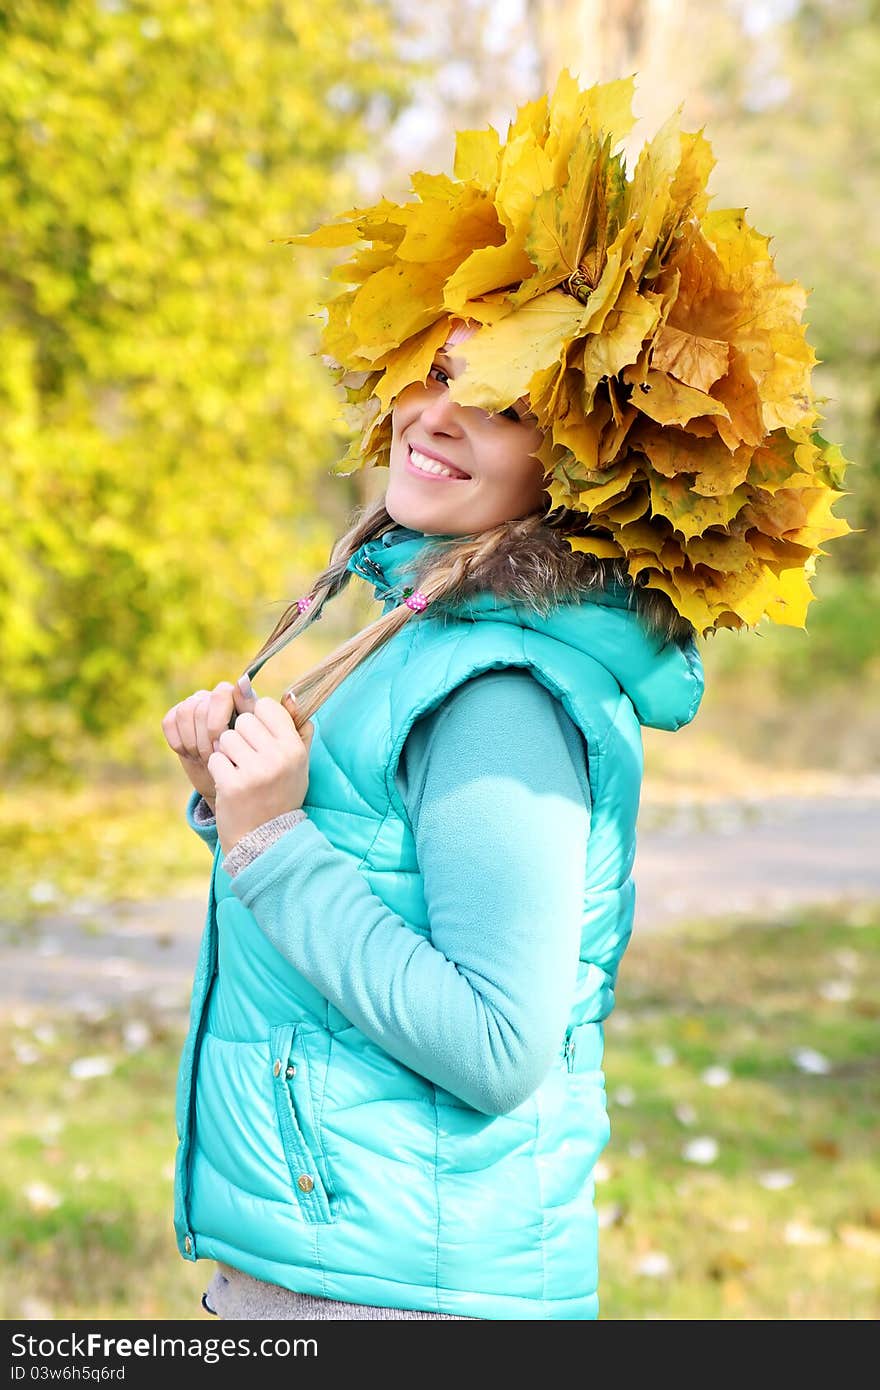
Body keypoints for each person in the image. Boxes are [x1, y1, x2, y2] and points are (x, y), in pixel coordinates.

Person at [160, 70, 850, 1321]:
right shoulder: (420, 630)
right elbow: (368, 882)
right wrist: (245, 793)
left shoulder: (503, 696)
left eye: (506, 401)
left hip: (408, 1296)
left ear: (589, 462)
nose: (439, 410)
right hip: (348, 1261)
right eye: (436, 367)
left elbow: (494, 1044)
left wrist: (270, 838)